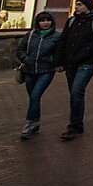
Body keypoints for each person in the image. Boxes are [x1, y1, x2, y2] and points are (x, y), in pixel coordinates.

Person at [54, 0, 93, 141]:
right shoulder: (72, 21)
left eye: (79, 5)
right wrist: (58, 61)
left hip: (88, 62)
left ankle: (73, 126)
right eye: (76, 5)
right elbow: (63, 41)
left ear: (88, 6)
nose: (77, 7)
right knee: (74, 93)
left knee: (76, 91)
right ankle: (78, 123)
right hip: (70, 62)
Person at [16, 11, 60, 140]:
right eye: (42, 20)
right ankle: (35, 123)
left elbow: (60, 53)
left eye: (48, 20)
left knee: (35, 95)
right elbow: (20, 49)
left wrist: (54, 61)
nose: (45, 23)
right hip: (29, 70)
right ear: (38, 22)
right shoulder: (30, 35)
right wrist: (25, 58)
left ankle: (29, 123)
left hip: (46, 71)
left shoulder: (57, 37)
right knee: (33, 98)